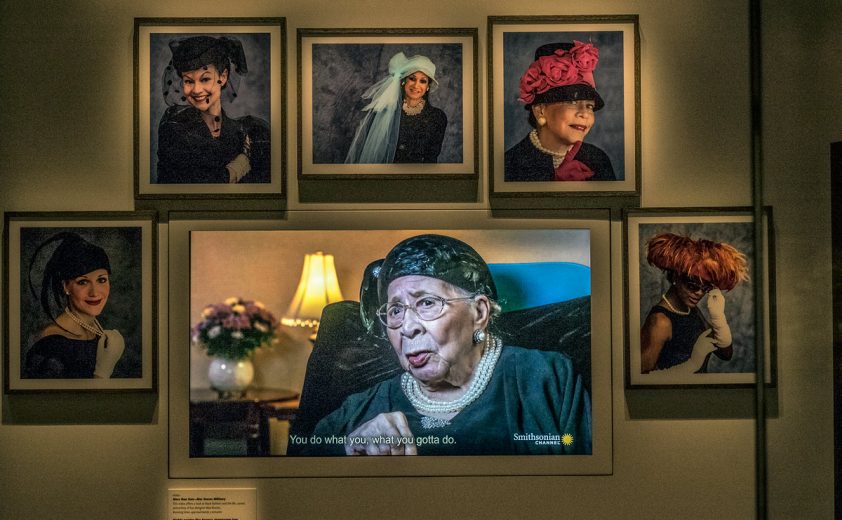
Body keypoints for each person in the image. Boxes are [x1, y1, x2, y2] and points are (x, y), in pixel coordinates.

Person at [301, 234, 591, 456]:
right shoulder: (360, 408)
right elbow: (296, 483)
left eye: (427, 303)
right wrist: (348, 450)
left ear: (479, 313)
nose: (407, 326)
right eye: (395, 310)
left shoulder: (545, 378)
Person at [156, 35, 270, 184]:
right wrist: (240, 165)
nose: (196, 90)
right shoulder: (173, 128)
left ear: (222, 77)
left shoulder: (245, 131)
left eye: (205, 79)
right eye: (189, 81)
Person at [505, 41, 615, 182]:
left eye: (589, 106)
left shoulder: (598, 160)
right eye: (572, 102)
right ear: (540, 110)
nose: (585, 114)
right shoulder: (510, 165)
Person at [640, 233, 750, 374]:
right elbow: (642, 380)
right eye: (692, 285)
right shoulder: (660, 322)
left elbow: (726, 353)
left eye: (706, 288)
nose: (699, 293)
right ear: (675, 276)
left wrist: (718, 317)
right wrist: (692, 363)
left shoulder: (691, 311)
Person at [24, 233, 125, 379]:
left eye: (101, 280)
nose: (95, 292)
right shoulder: (50, 347)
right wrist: (103, 371)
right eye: (82, 282)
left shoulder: (95, 329)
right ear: (66, 286)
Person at [345, 52, 447, 164]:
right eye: (412, 78)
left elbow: (431, 159)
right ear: (404, 81)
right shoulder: (385, 112)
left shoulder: (437, 117)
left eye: (423, 81)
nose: (416, 85)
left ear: (427, 87)